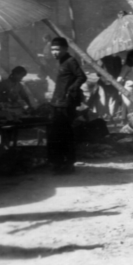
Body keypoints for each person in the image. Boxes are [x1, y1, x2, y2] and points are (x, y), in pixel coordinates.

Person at [48, 37, 87, 175]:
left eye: (57, 49)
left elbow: (81, 76)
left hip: (65, 104)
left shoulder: (70, 61)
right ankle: (58, 163)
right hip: (56, 102)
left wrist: (71, 89)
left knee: (65, 134)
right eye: (52, 49)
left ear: (65, 49)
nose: (54, 52)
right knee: (55, 135)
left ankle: (68, 164)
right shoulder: (60, 62)